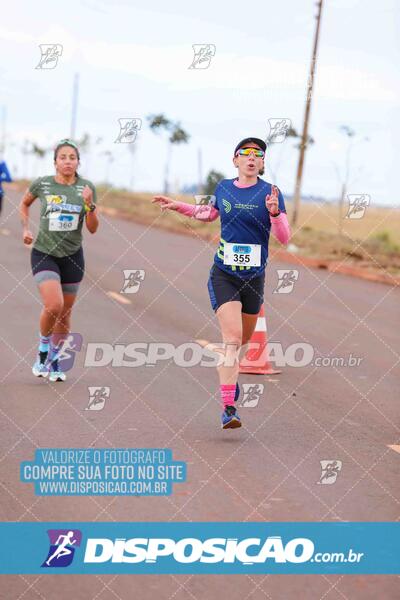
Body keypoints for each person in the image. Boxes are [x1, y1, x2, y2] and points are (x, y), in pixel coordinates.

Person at [153, 137, 291, 429]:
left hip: (254, 278)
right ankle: (229, 407)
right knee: (231, 341)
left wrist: (275, 213)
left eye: (258, 155)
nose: (252, 158)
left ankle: (231, 380)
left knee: (240, 343)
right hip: (224, 275)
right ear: (235, 160)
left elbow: (285, 238)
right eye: (246, 154)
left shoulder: (272, 194)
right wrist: (178, 205)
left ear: (263, 163)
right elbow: (208, 213)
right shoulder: (224, 188)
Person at [19, 139, 99, 382]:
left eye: (72, 157)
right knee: (54, 305)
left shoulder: (86, 187)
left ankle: (55, 361)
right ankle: (43, 350)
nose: (67, 161)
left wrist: (89, 205)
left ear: (77, 162)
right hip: (44, 252)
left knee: (65, 313)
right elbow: (24, 204)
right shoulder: (42, 184)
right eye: (63, 157)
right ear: (55, 162)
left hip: (73, 256)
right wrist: (25, 228)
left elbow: (93, 228)